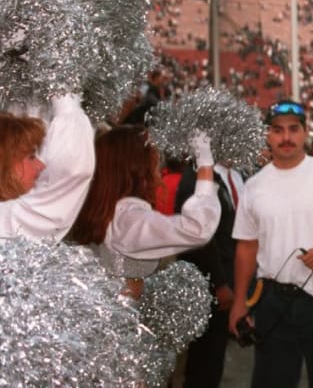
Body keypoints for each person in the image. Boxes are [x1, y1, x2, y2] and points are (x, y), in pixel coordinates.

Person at [228, 100, 313, 388]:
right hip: (272, 302)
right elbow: (246, 247)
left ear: (305, 132)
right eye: (278, 130)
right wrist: (240, 302)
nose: (286, 137)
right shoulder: (254, 186)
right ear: (267, 134)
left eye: (293, 129)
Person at [67, 125, 221, 299]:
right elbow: (197, 228)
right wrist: (205, 166)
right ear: (137, 170)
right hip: (121, 318)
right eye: (153, 163)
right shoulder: (128, 218)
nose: (157, 172)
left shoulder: (108, 210)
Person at [175, 161, 239, 388]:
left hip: (229, 277)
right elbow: (199, 240)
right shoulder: (195, 178)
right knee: (204, 358)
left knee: (215, 355)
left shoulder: (237, 175)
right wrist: (219, 284)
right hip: (208, 283)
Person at [0, 95, 94, 241]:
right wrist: (64, 95)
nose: (41, 165)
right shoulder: (6, 221)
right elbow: (72, 171)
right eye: (31, 156)